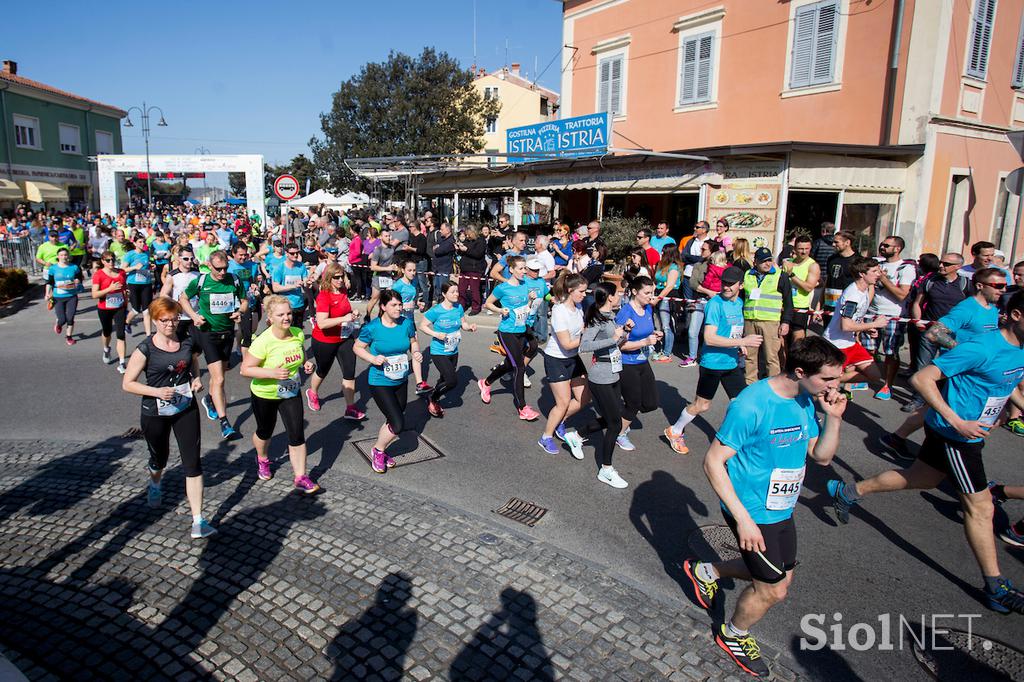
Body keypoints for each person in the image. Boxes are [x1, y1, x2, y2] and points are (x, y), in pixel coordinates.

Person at [827, 291, 1024, 615]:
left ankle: (849, 491)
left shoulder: (1019, 349)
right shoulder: (982, 347)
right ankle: (996, 586)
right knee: (981, 507)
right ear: (1015, 315)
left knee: (922, 478)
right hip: (956, 435)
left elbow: (1010, 384)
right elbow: (922, 377)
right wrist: (956, 420)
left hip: (968, 433)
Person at [683, 337, 847, 678]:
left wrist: (834, 418)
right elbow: (713, 462)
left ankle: (707, 571)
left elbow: (822, 456)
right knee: (773, 589)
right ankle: (733, 634)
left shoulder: (805, 399)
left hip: (782, 508)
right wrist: (742, 520)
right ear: (800, 371)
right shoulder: (751, 405)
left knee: (781, 576)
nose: (836, 386)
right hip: (751, 509)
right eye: (829, 380)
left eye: (837, 378)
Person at [878, 267, 1007, 460]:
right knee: (947, 414)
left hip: (971, 372)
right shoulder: (967, 308)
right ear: (980, 286)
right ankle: (938, 457)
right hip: (956, 370)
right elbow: (934, 333)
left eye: (1004, 286)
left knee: (933, 409)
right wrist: (963, 351)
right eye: (998, 286)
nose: (1003, 290)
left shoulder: (992, 309)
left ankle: (897, 439)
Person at [121, 297, 216, 538]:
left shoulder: (186, 341)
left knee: (193, 462)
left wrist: (195, 379)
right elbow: (127, 384)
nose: (171, 325)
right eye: (165, 321)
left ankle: (198, 521)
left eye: (174, 320)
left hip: (185, 407)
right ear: (154, 320)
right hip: (155, 411)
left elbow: (193, 362)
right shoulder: (145, 348)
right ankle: (155, 481)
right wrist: (156, 392)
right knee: (159, 458)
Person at [665, 267, 763, 455]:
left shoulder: (739, 302)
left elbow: (732, 330)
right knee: (702, 405)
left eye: (730, 284)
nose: (726, 287)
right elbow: (710, 338)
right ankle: (675, 430)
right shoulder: (715, 304)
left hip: (731, 362)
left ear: (741, 285)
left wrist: (738, 345)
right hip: (713, 363)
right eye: (724, 283)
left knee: (740, 403)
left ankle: (731, 440)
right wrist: (743, 341)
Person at [239, 295, 320, 493]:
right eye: (281, 314)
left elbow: (300, 352)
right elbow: (245, 369)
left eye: (289, 313)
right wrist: (271, 373)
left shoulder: (297, 333)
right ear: (270, 317)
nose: (286, 318)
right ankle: (263, 458)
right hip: (265, 393)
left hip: (290, 391)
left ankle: (301, 476)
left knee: (297, 433)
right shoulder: (263, 342)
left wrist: (305, 363)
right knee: (265, 431)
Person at [353, 289, 424, 473]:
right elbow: (357, 347)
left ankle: (381, 448)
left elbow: (413, 341)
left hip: (401, 379)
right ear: (383, 306)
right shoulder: (372, 328)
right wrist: (372, 359)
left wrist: (415, 351)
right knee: (398, 424)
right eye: (394, 305)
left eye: (400, 304)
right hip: (380, 381)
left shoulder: (406, 323)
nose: (398, 308)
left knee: (393, 418)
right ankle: (378, 450)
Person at [179, 250, 247, 441]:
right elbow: (183, 298)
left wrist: (239, 312)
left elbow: (244, 302)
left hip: (227, 333)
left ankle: (209, 399)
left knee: (222, 372)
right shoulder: (201, 282)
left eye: (225, 267)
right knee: (218, 379)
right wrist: (194, 316)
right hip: (207, 333)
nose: (223, 272)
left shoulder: (234, 280)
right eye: (219, 269)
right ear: (210, 265)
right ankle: (225, 423)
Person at [575, 282, 630, 488]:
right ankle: (606, 470)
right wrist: (613, 338)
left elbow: (616, 343)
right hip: (601, 377)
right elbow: (585, 346)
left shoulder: (611, 317)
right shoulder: (598, 319)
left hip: (613, 374)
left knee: (612, 419)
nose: (620, 297)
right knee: (615, 423)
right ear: (609, 297)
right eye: (618, 294)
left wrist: (624, 333)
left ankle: (578, 434)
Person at [479, 255, 542, 420]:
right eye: (521, 268)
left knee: (515, 359)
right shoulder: (503, 288)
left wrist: (530, 301)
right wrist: (500, 311)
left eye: (525, 268)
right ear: (511, 270)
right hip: (507, 331)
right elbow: (488, 303)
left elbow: (525, 308)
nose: (524, 271)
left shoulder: (525, 285)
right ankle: (523, 408)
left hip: (522, 329)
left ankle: (486, 382)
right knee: (519, 367)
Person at [903, 252, 967, 412]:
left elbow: (971, 308)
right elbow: (918, 302)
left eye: (946, 264)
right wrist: (918, 321)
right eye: (941, 262)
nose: (941, 266)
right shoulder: (930, 281)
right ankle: (918, 399)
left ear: (958, 267)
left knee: (949, 368)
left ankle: (944, 401)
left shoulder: (966, 284)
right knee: (922, 366)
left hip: (952, 334)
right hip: (929, 333)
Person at [537, 273, 590, 458]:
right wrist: (588, 339)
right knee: (563, 402)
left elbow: (581, 330)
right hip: (556, 360)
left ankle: (561, 420)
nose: (584, 294)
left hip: (573, 358)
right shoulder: (559, 311)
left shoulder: (579, 307)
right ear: (570, 290)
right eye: (581, 291)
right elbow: (567, 343)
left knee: (584, 398)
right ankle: (546, 436)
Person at [307, 263, 365, 420]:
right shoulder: (324, 296)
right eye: (337, 277)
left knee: (349, 372)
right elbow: (322, 323)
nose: (340, 280)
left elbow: (345, 309)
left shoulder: (343, 290)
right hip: (324, 340)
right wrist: (344, 318)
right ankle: (312, 392)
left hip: (344, 337)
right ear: (329, 278)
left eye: (342, 276)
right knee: (323, 370)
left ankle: (350, 408)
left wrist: (353, 313)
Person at [860, 235, 915, 400]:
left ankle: (887, 385)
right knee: (868, 348)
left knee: (890, 352)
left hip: (893, 316)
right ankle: (866, 377)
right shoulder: (878, 264)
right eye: (882, 244)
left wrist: (883, 278)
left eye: (886, 245)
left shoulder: (905, 268)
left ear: (897, 248)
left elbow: (902, 295)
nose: (882, 247)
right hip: (872, 312)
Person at [614, 276, 663, 451]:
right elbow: (619, 344)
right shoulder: (625, 313)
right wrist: (645, 342)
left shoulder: (647, 308)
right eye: (647, 293)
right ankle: (618, 433)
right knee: (633, 404)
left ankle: (619, 416)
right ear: (634, 292)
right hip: (627, 363)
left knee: (651, 403)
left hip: (643, 360)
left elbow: (645, 331)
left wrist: (655, 334)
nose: (651, 296)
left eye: (653, 292)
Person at [420, 281, 478, 417]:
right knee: (452, 381)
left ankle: (435, 399)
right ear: (444, 294)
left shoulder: (458, 308)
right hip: (439, 352)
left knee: (444, 379)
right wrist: (435, 334)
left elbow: (463, 323)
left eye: (457, 291)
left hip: (453, 350)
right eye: (453, 292)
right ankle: (432, 397)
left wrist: (469, 327)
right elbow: (422, 325)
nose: (456, 294)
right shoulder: (436, 310)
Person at [742, 248, 794, 385]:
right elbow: (742, 297)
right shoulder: (747, 274)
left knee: (771, 357)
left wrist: (786, 322)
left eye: (769, 260)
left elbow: (789, 302)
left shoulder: (780, 276)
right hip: (750, 320)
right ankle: (750, 384)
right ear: (755, 262)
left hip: (770, 322)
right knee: (750, 356)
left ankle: (773, 387)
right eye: (763, 261)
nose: (767, 263)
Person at [92, 250, 129, 373]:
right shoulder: (99, 275)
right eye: (108, 260)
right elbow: (94, 294)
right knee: (107, 332)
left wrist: (126, 299)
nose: (111, 262)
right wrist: (110, 289)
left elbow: (124, 288)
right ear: (103, 261)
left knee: (120, 334)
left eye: (113, 259)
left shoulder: (121, 273)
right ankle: (106, 348)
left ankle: (122, 362)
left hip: (120, 307)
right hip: (104, 308)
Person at [780, 235, 820, 346]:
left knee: (798, 342)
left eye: (807, 249)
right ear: (795, 249)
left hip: (800, 308)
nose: (803, 252)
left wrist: (791, 275)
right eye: (801, 249)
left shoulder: (812, 265)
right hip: (784, 306)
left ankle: (797, 363)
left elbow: (808, 287)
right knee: (781, 342)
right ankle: (784, 364)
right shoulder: (788, 263)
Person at [651, 246, 684, 363]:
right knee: (659, 324)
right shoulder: (661, 266)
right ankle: (661, 349)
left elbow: (669, 286)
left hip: (667, 297)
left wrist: (657, 299)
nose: (661, 253)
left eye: (663, 252)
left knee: (666, 325)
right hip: (658, 294)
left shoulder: (674, 267)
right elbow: (656, 281)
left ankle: (667, 352)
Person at [159, 247, 200, 342]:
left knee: (197, 346)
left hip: (195, 314)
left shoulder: (198, 274)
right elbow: (163, 294)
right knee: (179, 344)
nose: (189, 261)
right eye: (186, 259)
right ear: (179, 259)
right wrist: (175, 303)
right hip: (179, 317)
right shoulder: (172, 275)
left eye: (191, 258)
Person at [228, 242, 261, 360]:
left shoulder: (252, 265)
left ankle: (241, 341)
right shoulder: (228, 267)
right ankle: (244, 351)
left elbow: (254, 281)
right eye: (240, 255)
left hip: (252, 298)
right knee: (246, 330)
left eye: (245, 255)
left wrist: (255, 286)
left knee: (253, 328)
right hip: (238, 301)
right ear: (233, 254)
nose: (243, 257)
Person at [271, 243, 313, 328]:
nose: (296, 255)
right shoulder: (279, 268)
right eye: (292, 253)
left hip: (299, 304)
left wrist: (308, 283)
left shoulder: (301, 266)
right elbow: (275, 288)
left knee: (298, 332)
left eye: (297, 252)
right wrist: (293, 286)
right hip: (285, 306)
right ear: (286, 253)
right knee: (287, 334)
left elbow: (305, 281)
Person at [48, 247, 82, 346]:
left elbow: (79, 278)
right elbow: (49, 282)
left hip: (71, 295)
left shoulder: (74, 267)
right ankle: (59, 324)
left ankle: (69, 337)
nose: (64, 257)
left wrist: (77, 281)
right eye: (62, 255)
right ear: (58, 257)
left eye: (66, 255)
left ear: (69, 256)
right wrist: (47, 293)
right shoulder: (53, 268)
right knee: (63, 319)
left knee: (70, 318)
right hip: (58, 296)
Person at [365, 229, 398, 320]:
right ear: (381, 237)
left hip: (388, 277)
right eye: (386, 236)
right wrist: (387, 268)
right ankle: (367, 316)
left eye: (389, 236)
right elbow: (373, 267)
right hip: (378, 277)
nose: (388, 238)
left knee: (386, 299)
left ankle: (381, 317)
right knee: (375, 298)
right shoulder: (378, 250)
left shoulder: (392, 248)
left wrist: (395, 267)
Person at [822, 230, 856, 313]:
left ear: (847, 242)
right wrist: (819, 304)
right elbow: (827, 281)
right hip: (829, 305)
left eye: (836, 242)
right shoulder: (831, 259)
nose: (833, 245)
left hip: (846, 306)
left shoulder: (857, 260)